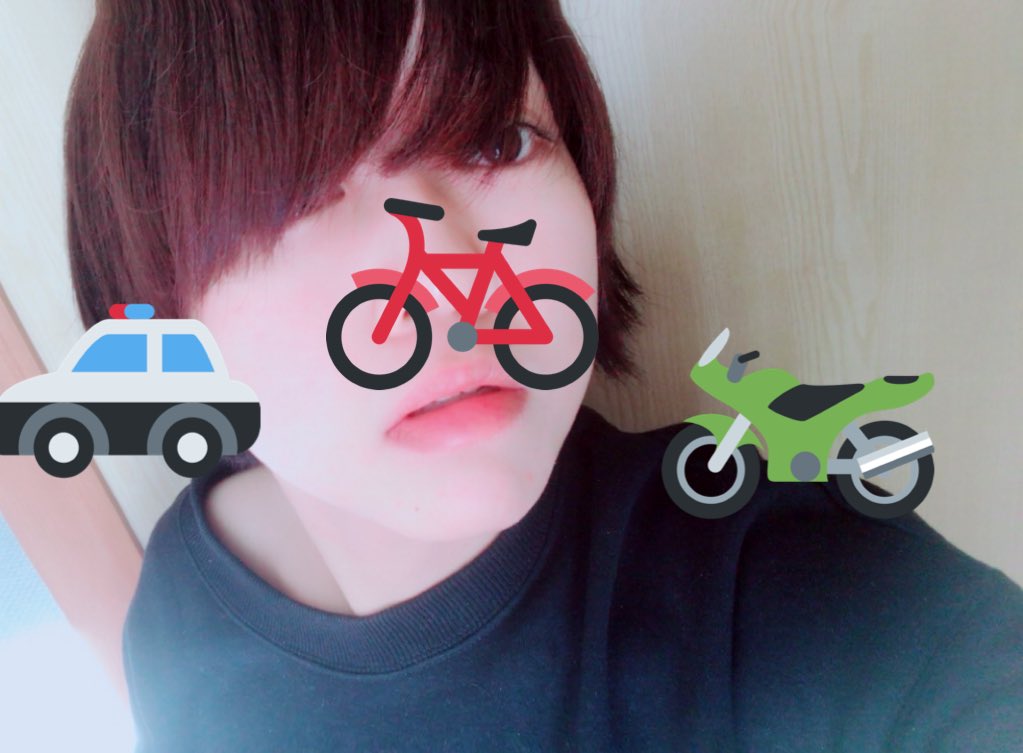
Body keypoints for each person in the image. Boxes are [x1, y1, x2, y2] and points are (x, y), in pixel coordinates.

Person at [64, 1, 1023, 751]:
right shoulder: (177, 603)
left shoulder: (794, 589)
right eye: (290, 197)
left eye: (496, 140)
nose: (451, 280)